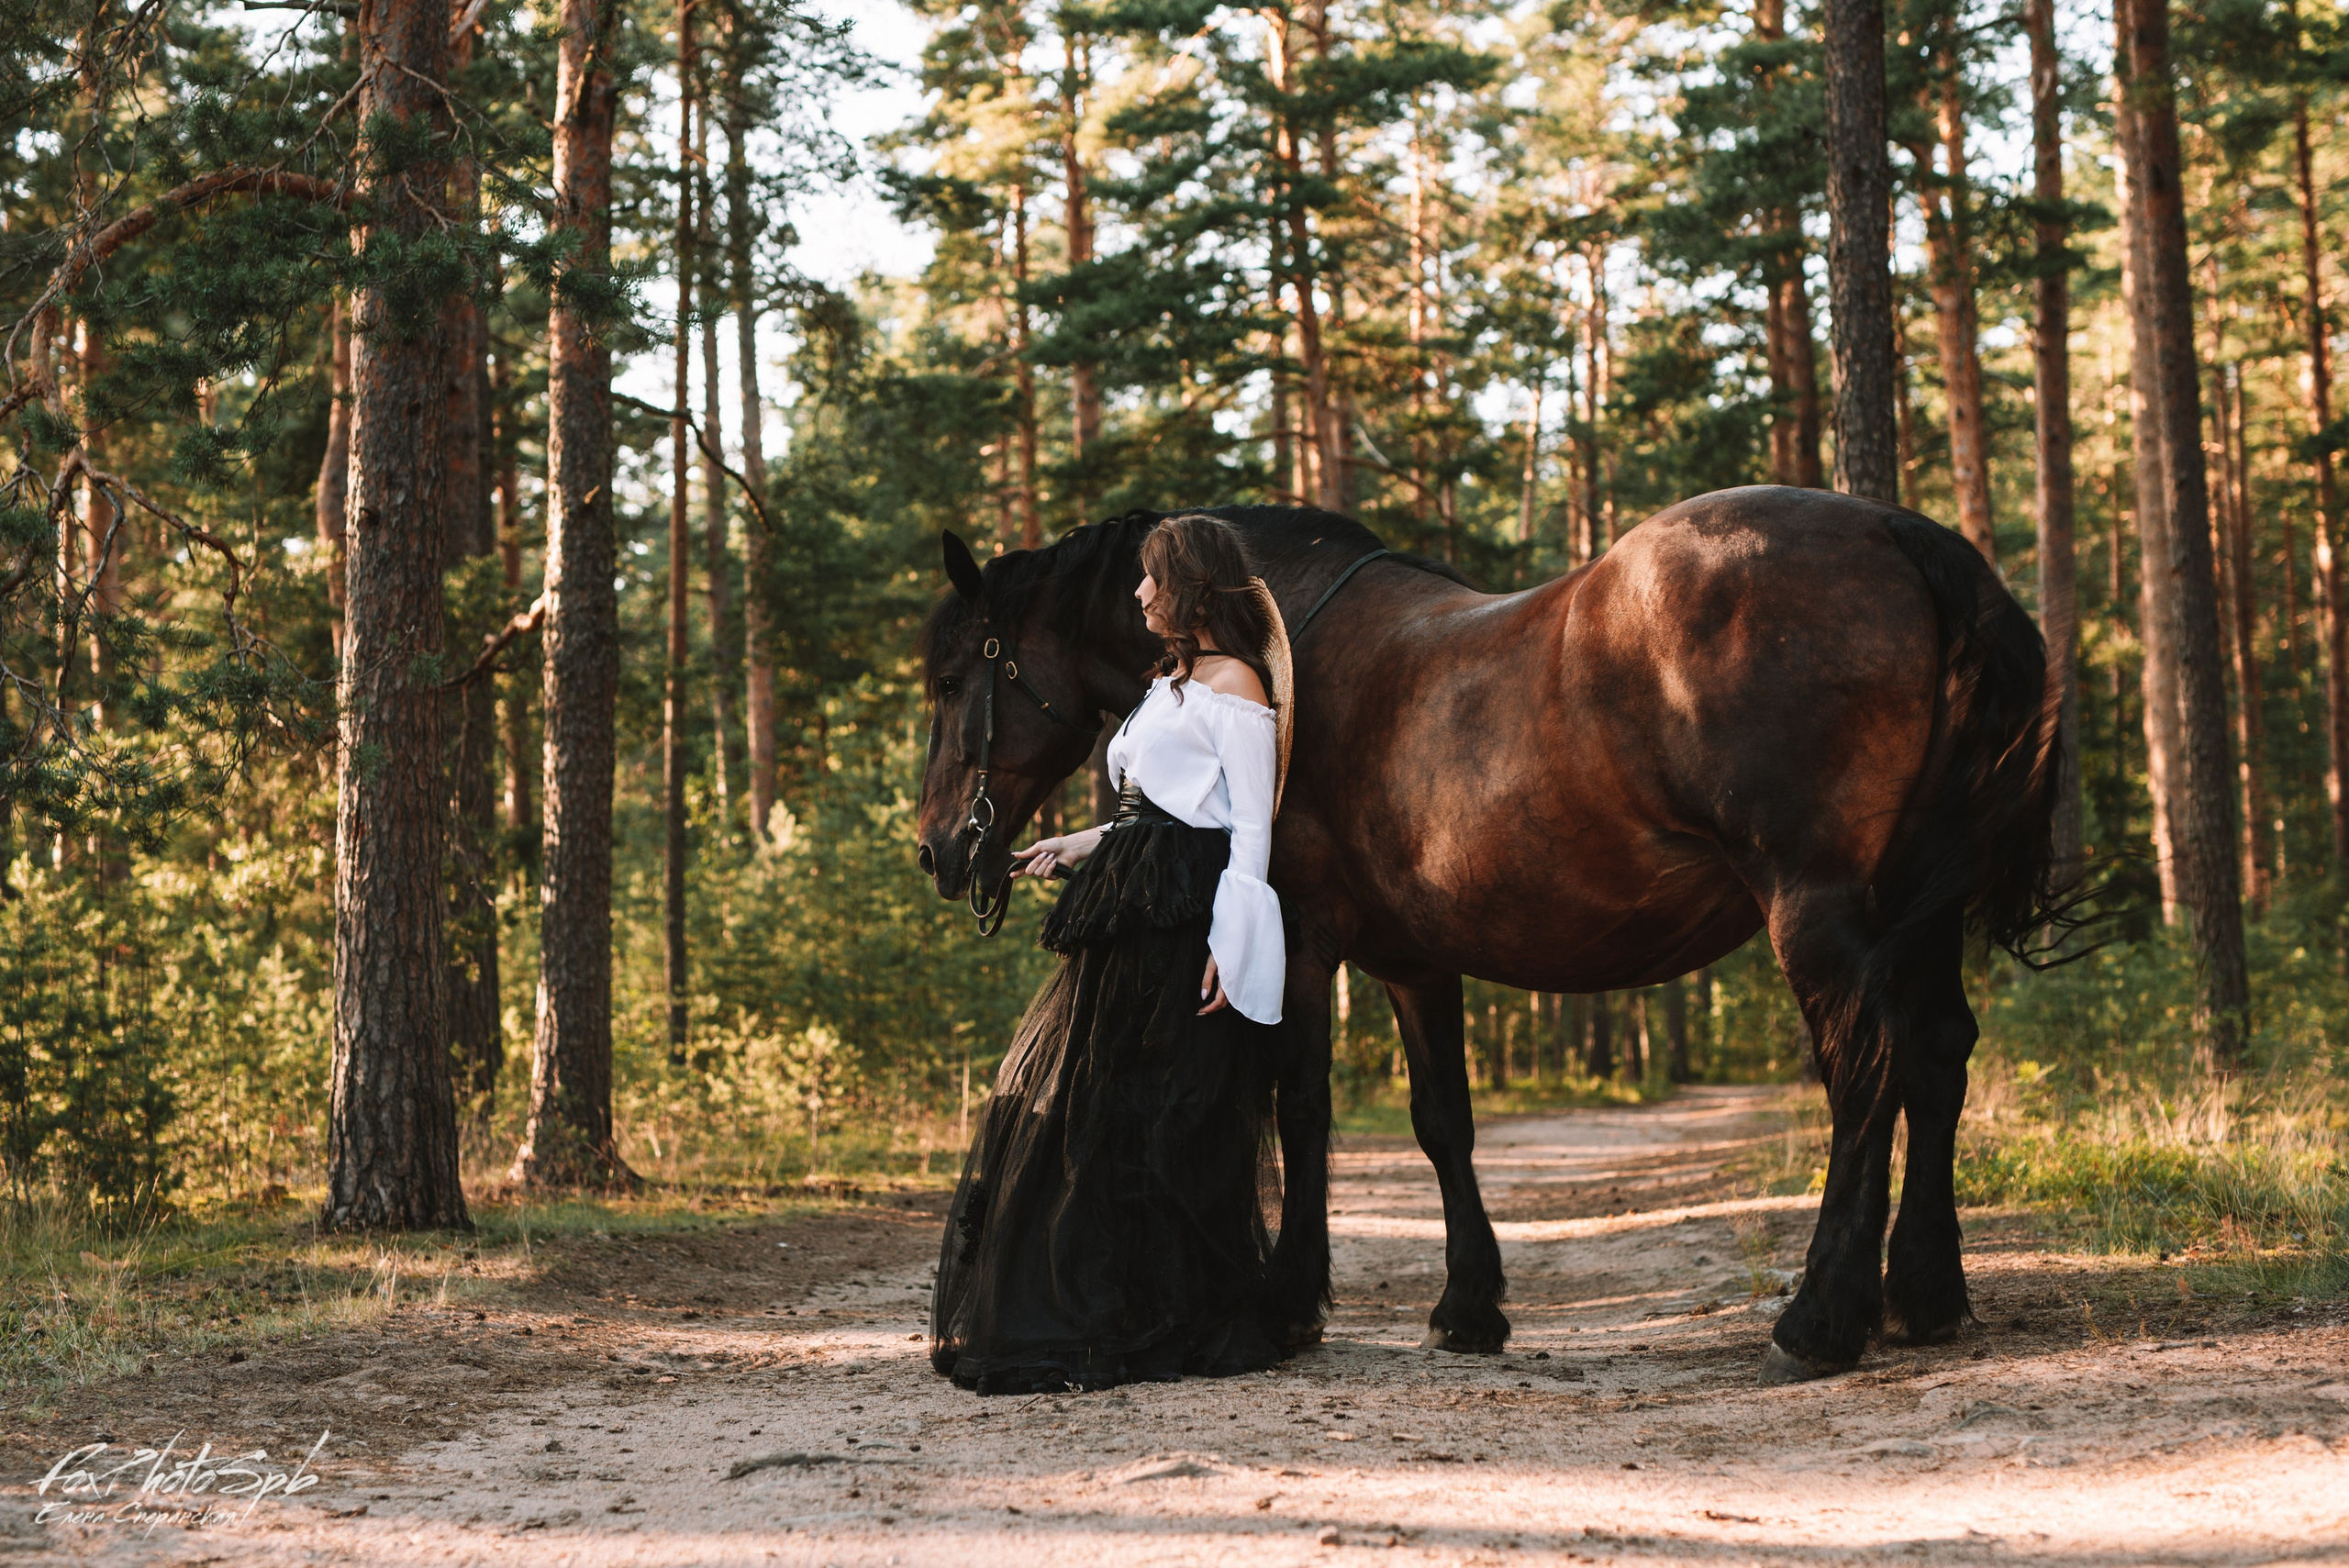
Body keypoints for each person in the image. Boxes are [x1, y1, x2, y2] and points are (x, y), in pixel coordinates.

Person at [930, 514, 1289, 1395]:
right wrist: (1074, 843)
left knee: (1166, 1110)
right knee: (1098, 1105)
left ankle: (1167, 1317)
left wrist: (1229, 940)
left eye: (1152, 579)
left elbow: (1247, 821)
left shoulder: (1237, 682)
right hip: (1127, 893)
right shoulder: (1167, 679)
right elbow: (1148, 806)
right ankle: (1099, 1308)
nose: (1138, 593)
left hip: (1182, 908)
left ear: (1193, 586)